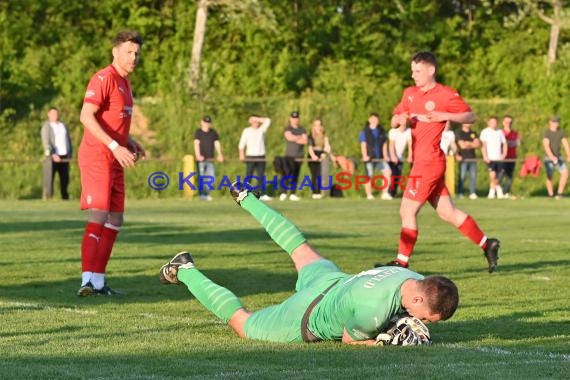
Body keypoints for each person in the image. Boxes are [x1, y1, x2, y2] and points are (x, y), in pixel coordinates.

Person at [159, 185, 459, 344]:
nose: (422, 324)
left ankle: (246, 197)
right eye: (427, 318)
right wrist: (382, 342)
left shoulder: (412, 276)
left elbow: (394, 303)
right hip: (308, 312)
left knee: (299, 248)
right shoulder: (372, 312)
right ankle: (184, 269)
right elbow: (350, 341)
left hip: (334, 281)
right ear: (418, 298)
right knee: (244, 324)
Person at [380, 51, 500, 273]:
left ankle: (401, 262)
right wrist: (398, 120)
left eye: (417, 71)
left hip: (429, 163)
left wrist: (444, 115)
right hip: (421, 163)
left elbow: (470, 116)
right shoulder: (410, 94)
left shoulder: (445, 94)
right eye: (412, 70)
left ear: (431, 70)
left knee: (407, 211)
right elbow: (396, 118)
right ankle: (487, 244)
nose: (413, 75)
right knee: (448, 213)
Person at [77, 30, 145, 296]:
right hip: (97, 156)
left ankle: (99, 282)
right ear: (115, 51)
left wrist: (130, 141)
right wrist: (116, 145)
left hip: (115, 156)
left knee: (116, 217)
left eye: (137, 53)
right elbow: (86, 116)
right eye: (129, 51)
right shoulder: (103, 78)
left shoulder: (126, 84)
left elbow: (114, 123)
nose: (133, 57)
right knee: (100, 213)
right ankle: (86, 280)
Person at [359, 112, 393, 200]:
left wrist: (385, 155)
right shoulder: (364, 132)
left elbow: (384, 144)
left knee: (387, 172)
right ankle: (369, 195)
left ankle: (385, 193)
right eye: (373, 119)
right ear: (369, 120)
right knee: (368, 175)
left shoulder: (381, 131)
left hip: (380, 158)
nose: (374, 121)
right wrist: (365, 155)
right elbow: (363, 144)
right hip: (370, 158)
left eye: (376, 119)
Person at [41, 107, 72, 200]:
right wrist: (52, 154)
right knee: (49, 178)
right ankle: (48, 197)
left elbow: (68, 140)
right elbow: (46, 142)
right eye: (53, 113)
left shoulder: (63, 125)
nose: (55, 115)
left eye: (56, 113)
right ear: (48, 114)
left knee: (65, 178)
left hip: (64, 156)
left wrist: (70, 152)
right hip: (52, 156)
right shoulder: (46, 126)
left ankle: (65, 196)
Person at [238, 115, 272, 201]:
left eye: (257, 121)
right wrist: (241, 154)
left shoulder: (261, 130)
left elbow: (268, 121)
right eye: (254, 121)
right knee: (249, 175)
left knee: (261, 176)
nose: (256, 123)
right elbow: (241, 144)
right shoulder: (247, 131)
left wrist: (256, 118)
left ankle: (261, 194)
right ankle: (245, 193)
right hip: (250, 156)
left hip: (261, 156)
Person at [194, 115, 224, 201]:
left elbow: (217, 143)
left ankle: (207, 194)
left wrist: (220, 154)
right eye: (205, 122)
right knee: (202, 177)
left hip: (211, 159)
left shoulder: (213, 132)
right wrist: (198, 155)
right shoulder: (198, 132)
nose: (207, 124)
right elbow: (196, 144)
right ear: (202, 122)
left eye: (208, 122)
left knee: (211, 177)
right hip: (201, 159)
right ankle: (202, 194)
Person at [280, 111, 307, 201]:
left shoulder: (302, 129)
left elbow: (305, 141)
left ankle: (292, 193)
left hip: (299, 156)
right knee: (287, 174)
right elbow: (289, 137)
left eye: (296, 118)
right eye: (293, 118)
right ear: (290, 119)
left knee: (296, 174)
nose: (295, 120)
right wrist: (299, 137)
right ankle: (283, 192)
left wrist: (295, 138)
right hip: (289, 156)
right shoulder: (288, 128)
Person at [480, 116, 507, 199]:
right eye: (492, 122)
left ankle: (493, 191)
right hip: (490, 158)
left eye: (495, 122)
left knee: (500, 175)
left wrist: (504, 154)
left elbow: (505, 143)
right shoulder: (485, 132)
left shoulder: (500, 132)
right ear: (489, 123)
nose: (494, 124)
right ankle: (497, 191)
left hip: (499, 158)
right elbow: (483, 145)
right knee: (493, 175)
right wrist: (485, 156)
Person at [543, 115, 570, 199]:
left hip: (559, 156)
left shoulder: (561, 132)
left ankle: (559, 193)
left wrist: (569, 155)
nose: (555, 123)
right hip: (548, 157)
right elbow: (546, 145)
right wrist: (552, 156)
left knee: (565, 173)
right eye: (554, 122)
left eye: (557, 122)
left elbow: (565, 144)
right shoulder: (547, 133)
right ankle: (550, 194)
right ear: (550, 122)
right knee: (549, 175)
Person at [307, 118, 334, 199]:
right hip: (313, 155)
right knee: (314, 174)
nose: (318, 127)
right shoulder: (311, 135)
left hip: (321, 154)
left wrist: (328, 154)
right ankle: (314, 192)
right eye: (316, 125)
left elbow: (327, 146)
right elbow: (310, 147)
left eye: (319, 125)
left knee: (320, 174)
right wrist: (313, 156)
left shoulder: (324, 135)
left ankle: (319, 192)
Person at [456, 123, 481, 199]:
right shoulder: (459, 133)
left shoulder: (473, 133)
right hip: (463, 158)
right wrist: (472, 143)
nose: (469, 123)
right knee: (462, 176)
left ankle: (472, 193)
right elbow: (462, 146)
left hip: (472, 158)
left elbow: (478, 144)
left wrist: (468, 143)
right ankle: (460, 193)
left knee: (473, 176)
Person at [388, 123, 412, 198]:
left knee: (398, 176)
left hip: (400, 158)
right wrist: (393, 156)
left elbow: (410, 144)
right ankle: (388, 193)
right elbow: (391, 145)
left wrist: (410, 156)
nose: (404, 126)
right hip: (391, 157)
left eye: (405, 125)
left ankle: (393, 194)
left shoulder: (408, 131)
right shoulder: (393, 131)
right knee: (393, 174)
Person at [499, 115, 520, 198]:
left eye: (510, 122)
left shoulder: (515, 133)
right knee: (500, 174)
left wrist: (506, 143)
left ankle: (506, 192)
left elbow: (517, 143)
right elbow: (500, 143)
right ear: (503, 122)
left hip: (512, 157)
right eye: (507, 122)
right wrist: (508, 143)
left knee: (509, 176)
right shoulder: (500, 132)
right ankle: (498, 192)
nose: (508, 124)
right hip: (501, 157)